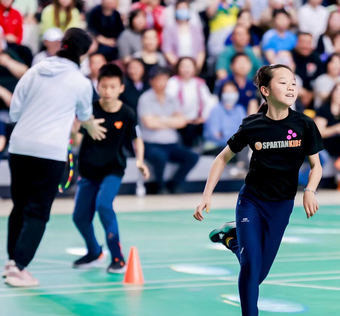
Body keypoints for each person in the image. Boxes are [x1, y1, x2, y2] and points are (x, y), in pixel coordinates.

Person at [193, 64, 323, 316]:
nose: (291, 87)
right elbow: (222, 158)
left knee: (258, 273)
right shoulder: (252, 125)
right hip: (251, 201)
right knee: (251, 267)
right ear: (265, 90)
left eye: (293, 82)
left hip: (282, 207)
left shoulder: (304, 124)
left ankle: (230, 238)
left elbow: (316, 166)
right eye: (283, 82)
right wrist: (206, 196)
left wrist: (310, 190)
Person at [3, 28, 105, 287]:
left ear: (62, 44)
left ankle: (11, 261)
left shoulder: (35, 69)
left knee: (19, 206)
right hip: (49, 153)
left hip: (19, 146)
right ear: (83, 53)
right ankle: (19, 268)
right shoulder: (81, 83)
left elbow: (14, 111)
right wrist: (90, 125)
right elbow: (84, 117)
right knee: (38, 211)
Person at [72, 64, 150, 273]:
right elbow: (75, 141)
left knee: (104, 205)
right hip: (88, 172)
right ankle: (94, 251)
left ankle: (118, 257)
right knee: (79, 217)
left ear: (120, 89)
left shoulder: (127, 113)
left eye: (112, 87)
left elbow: (137, 139)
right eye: (103, 86)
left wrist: (140, 160)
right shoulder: (88, 110)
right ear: (98, 86)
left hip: (112, 170)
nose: (107, 91)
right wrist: (77, 127)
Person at [138, 66, 199, 194]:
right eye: (159, 79)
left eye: (165, 79)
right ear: (152, 81)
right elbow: (149, 123)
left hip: (171, 144)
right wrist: (171, 121)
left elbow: (182, 122)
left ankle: (175, 184)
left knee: (192, 156)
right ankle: (160, 187)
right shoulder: (145, 98)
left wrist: (160, 119)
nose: (162, 83)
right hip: (151, 144)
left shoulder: (172, 98)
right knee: (160, 157)